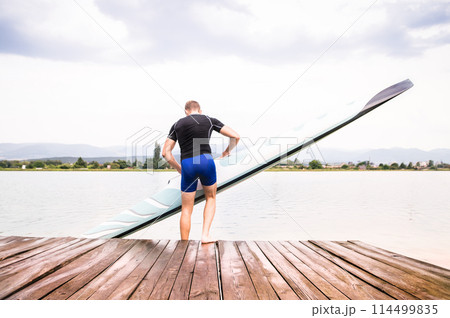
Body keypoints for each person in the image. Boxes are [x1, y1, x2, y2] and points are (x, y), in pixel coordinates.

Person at [162, 100, 240, 243]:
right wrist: (226, 151)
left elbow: (165, 153)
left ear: (186, 111)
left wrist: (180, 168)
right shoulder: (209, 120)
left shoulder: (177, 124)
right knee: (210, 198)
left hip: (187, 164)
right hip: (205, 161)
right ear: (200, 110)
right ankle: (205, 236)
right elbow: (235, 136)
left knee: (186, 209)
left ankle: (184, 243)